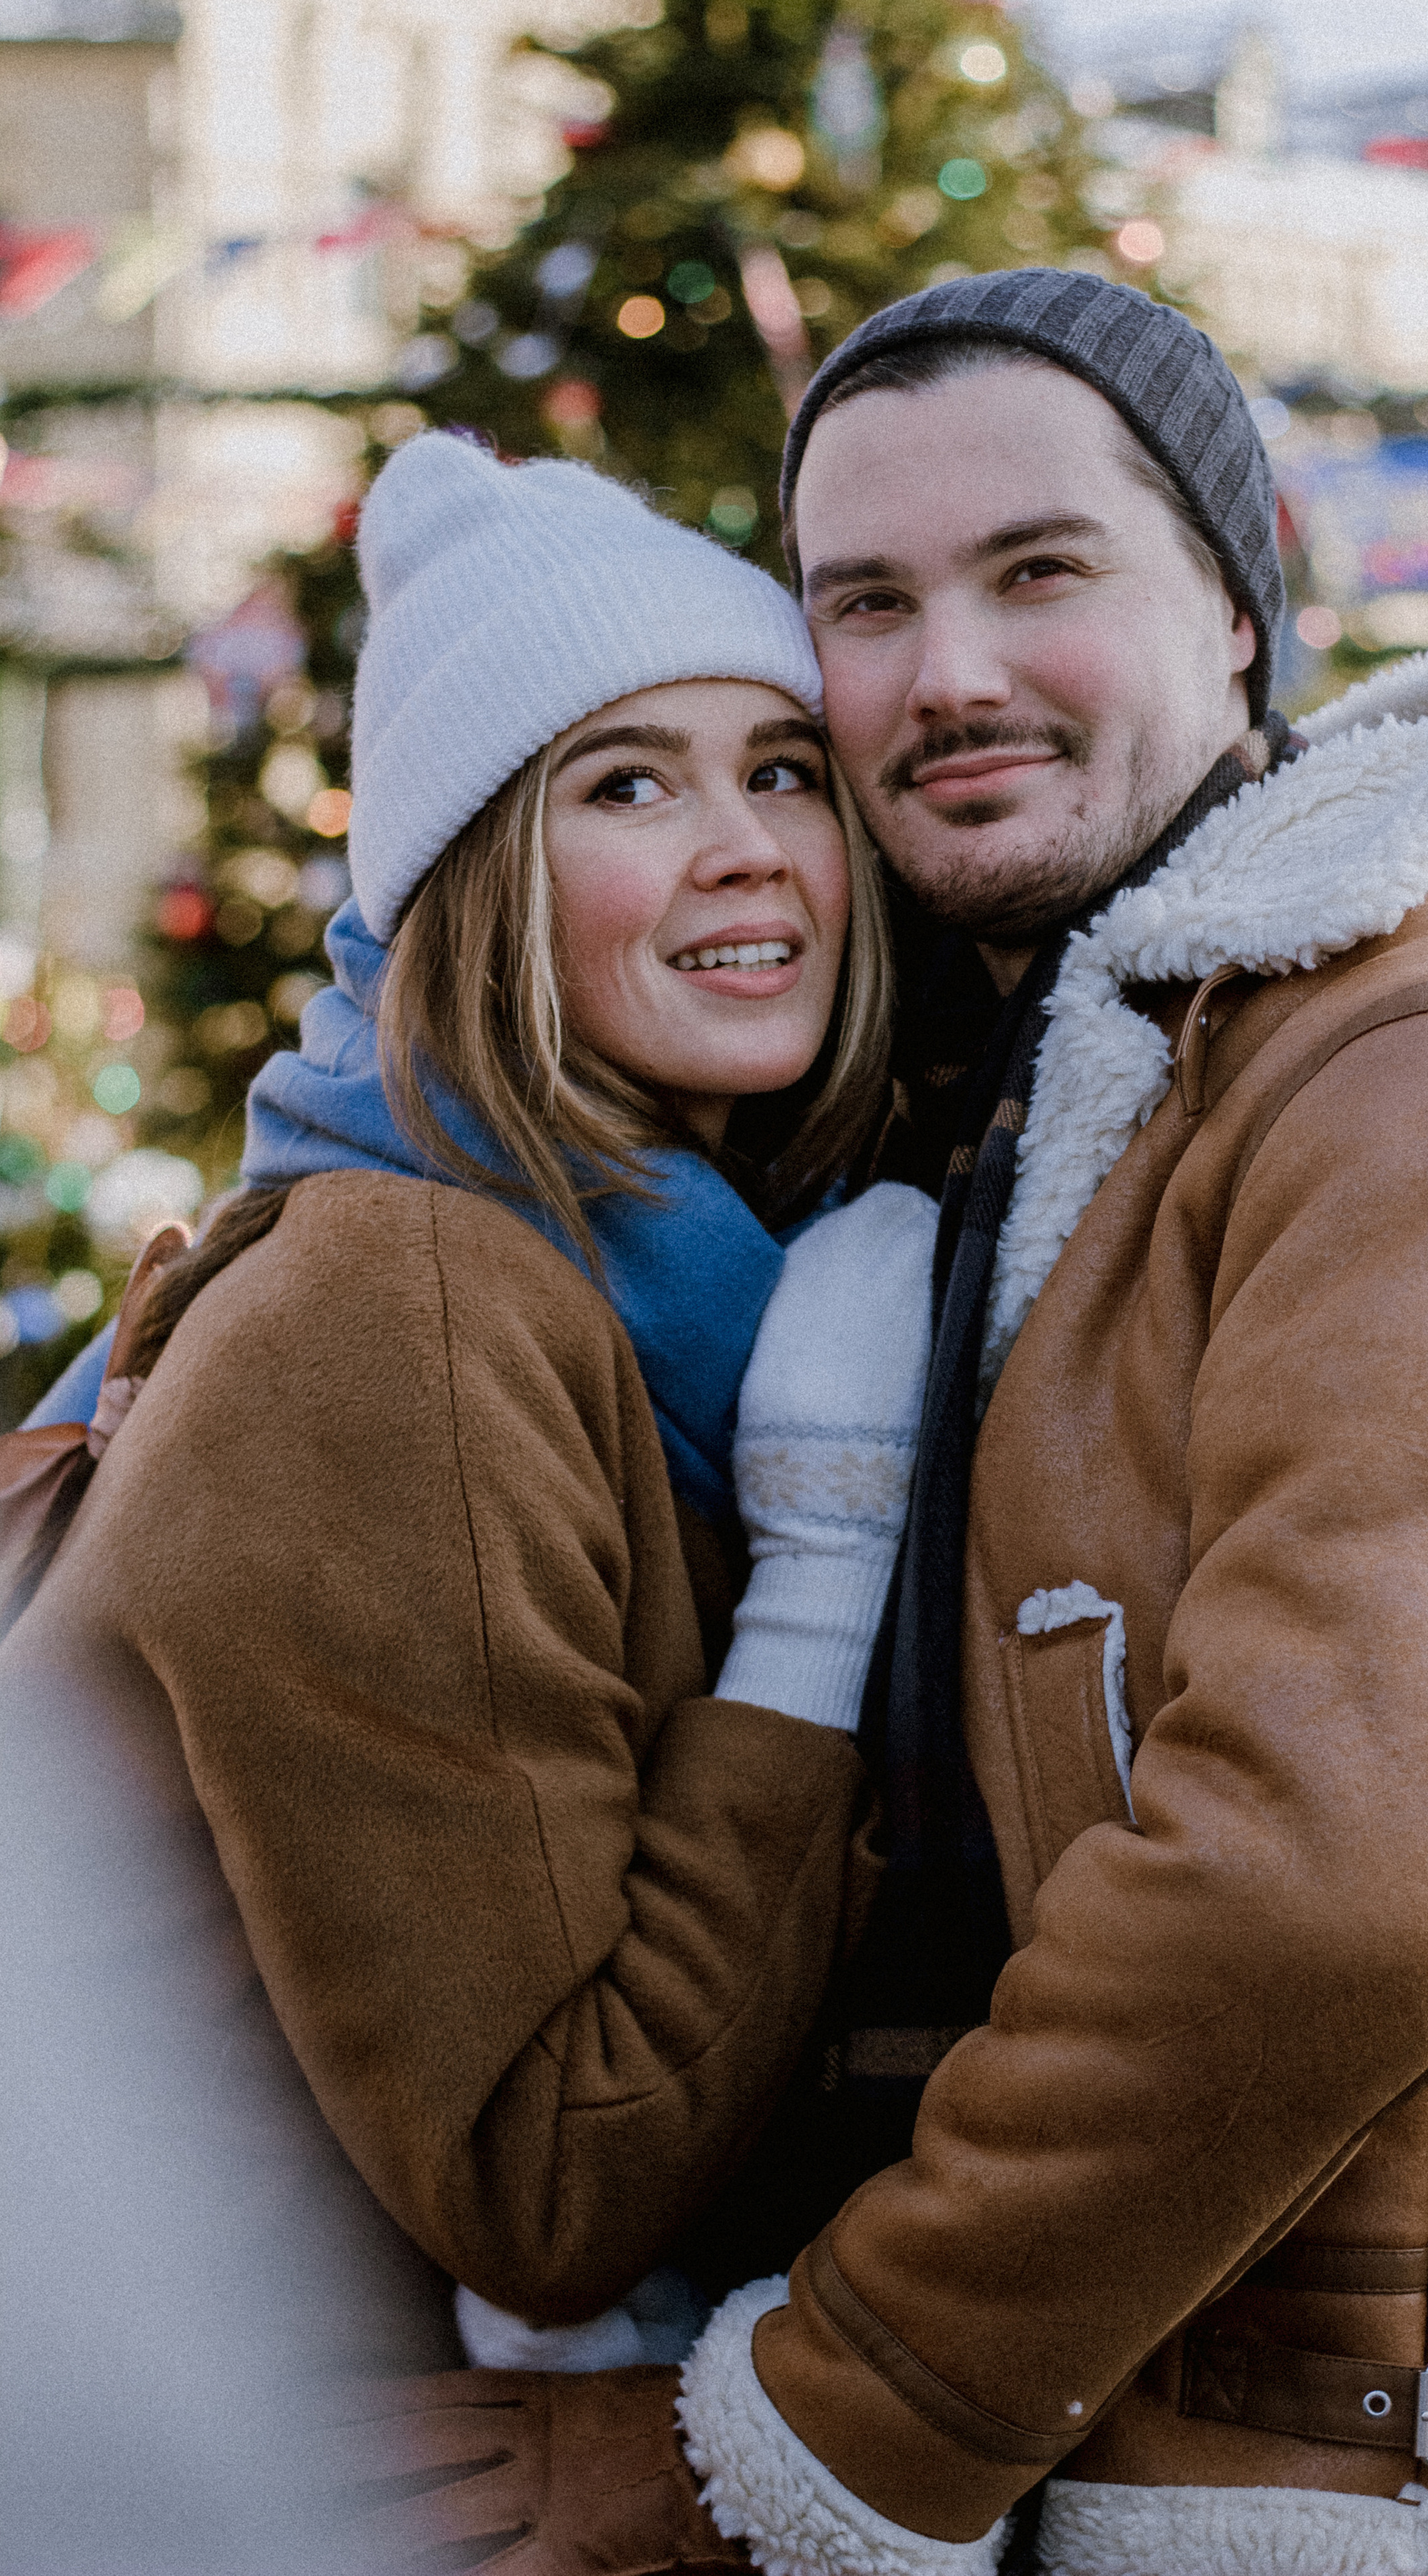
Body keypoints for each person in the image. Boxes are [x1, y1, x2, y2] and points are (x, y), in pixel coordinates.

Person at [609, 270, 1428, 2575]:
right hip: (1133, 2439)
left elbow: (1329, 1883)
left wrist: (827, 2421)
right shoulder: (1026, 1082)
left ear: (1235, 600)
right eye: (868, 604)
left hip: (1370, 2484)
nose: (950, 677)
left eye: (1039, 573)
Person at [0, 432, 939, 2528]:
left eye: (784, 768)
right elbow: (556, 2164)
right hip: (303, 2490)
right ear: (473, 876)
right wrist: (827, 1554)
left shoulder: (628, 1269)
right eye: (627, 786)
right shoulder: (409, 1300)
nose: (749, 850)